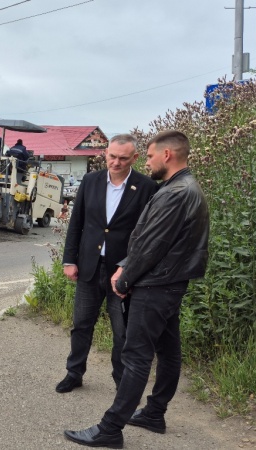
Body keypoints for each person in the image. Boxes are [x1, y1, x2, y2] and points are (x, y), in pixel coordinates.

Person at [64, 130, 210, 448]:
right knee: (168, 351)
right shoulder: (185, 186)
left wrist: (125, 277)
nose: (147, 160)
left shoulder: (172, 192)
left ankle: (110, 429)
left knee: (136, 355)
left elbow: (149, 243)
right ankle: (154, 413)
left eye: (148, 155)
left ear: (167, 155)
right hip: (171, 283)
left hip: (156, 284)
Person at [55, 134, 158, 395]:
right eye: (112, 156)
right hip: (89, 267)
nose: (116, 162)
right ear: (105, 154)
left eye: (123, 158)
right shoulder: (91, 181)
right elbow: (76, 223)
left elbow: (147, 234)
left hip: (122, 273)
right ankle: (74, 372)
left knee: (122, 332)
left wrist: (131, 268)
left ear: (135, 158)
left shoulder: (146, 187)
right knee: (81, 324)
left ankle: (121, 380)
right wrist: (69, 260)